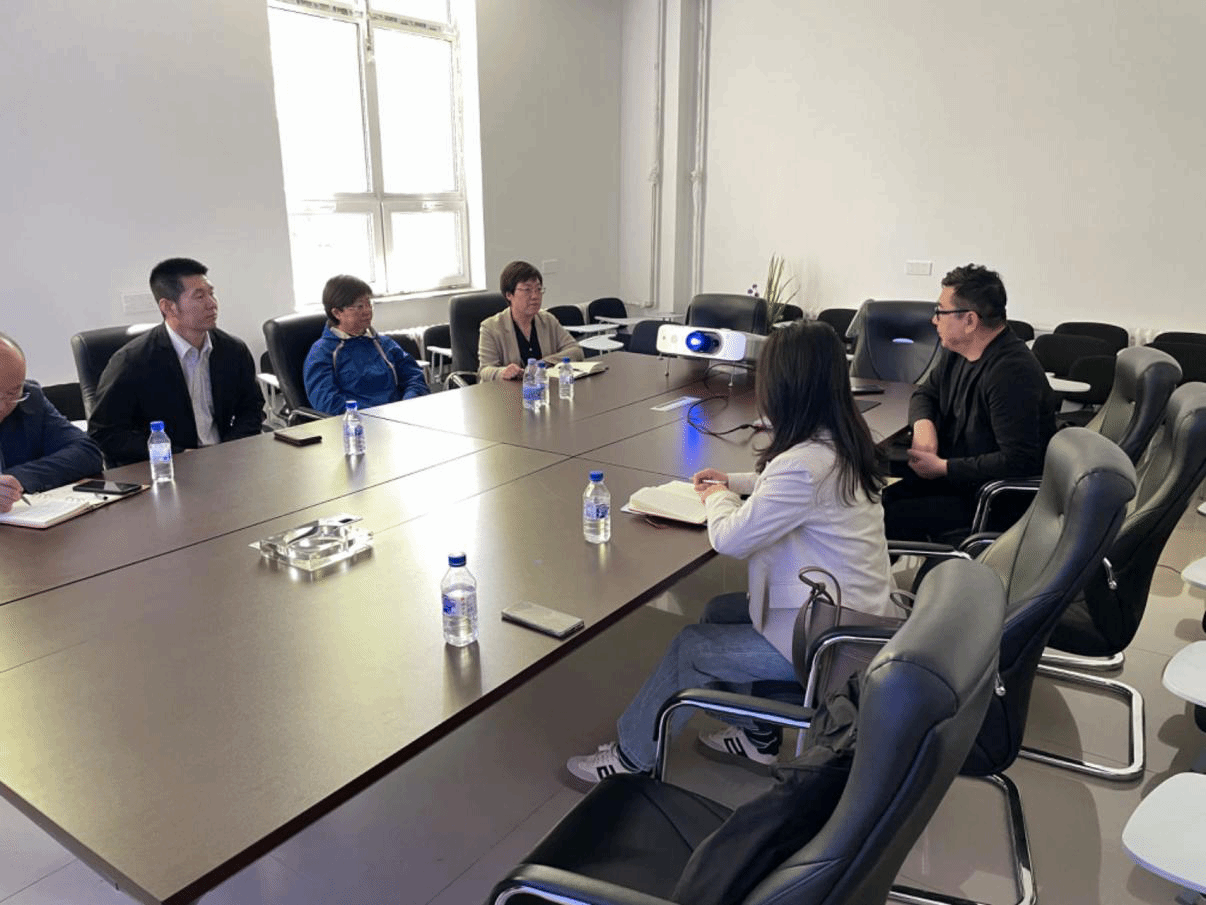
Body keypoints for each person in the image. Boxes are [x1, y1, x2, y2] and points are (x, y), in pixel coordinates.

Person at [566, 321, 896, 783]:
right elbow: (786, 488)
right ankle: (758, 735)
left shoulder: (804, 465)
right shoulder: (836, 441)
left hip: (831, 640)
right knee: (719, 612)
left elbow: (729, 539)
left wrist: (717, 497)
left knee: (691, 648)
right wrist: (733, 482)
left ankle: (631, 758)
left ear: (787, 386)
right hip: (848, 611)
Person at [882, 263, 1056, 541]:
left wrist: (943, 467)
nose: (934, 320)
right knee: (873, 503)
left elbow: (1018, 460)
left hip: (989, 500)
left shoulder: (1011, 373)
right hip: (956, 479)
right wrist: (923, 426)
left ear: (970, 321)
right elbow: (925, 393)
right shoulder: (959, 351)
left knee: (885, 516)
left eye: (940, 311)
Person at [88, 257, 265, 467]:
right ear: (168, 307)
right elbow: (105, 433)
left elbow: (252, 408)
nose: (212, 303)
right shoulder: (132, 362)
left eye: (211, 293)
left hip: (227, 462)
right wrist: (175, 454)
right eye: (199, 296)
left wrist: (229, 449)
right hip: (167, 467)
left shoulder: (233, 350)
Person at [0, 333, 103, 512]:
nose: (2, 406)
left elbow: (87, 453)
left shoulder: (30, 399)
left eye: (12, 393)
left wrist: (16, 479)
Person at [303, 275, 430, 415]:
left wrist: (408, 402)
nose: (367, 311)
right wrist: (375, 415)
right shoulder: (322, 353)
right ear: (337, 313)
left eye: (369, 304)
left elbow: (414, 377)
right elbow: (327, 402)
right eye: (359, 306)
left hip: (398, 416)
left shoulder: (383, 343)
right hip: (357, 422)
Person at [477, 260, 583, 381]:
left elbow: (576, 351)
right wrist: (502, 372)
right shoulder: (490, 327)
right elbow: (484, 370)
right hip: (509, 390)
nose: (535, 296)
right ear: (509, 294)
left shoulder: (547, 320)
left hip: (545, 387)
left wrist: (545, 363)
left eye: (538, 289)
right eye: (527, 290)